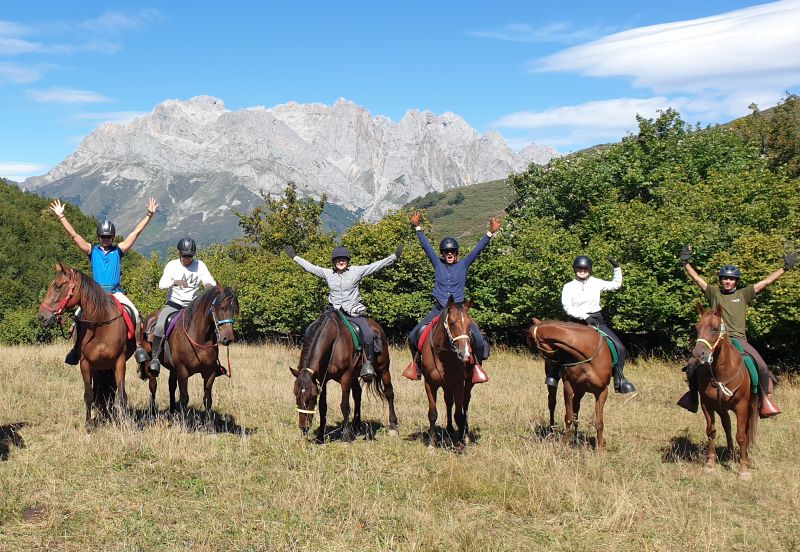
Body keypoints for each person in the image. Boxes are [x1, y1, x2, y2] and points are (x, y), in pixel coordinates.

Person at [678, 245, 795, 416]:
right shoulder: (714, 294)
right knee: (691, 364)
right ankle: (693, 398)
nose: (727, 281)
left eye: (731, 279)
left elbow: (767, 282)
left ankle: (763, 402)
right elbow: (697, 279)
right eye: (724, 278)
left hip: (739, 340)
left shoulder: (744, 294)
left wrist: (784, 268)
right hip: (716, 340)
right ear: (721, 280)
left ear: (736, 281)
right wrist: (685, 263)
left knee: (761, 367)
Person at [49, 197, 158, 365]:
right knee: (77, 318)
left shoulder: (118, 250)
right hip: (96, 295)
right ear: (99, 236)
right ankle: (76, 349)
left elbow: (135, 234)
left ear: (112, 237)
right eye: (103, 236)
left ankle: (137, 347)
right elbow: (74, 236)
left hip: (115, 293)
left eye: (108, 237)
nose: (106, 239)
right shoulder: (92, 250)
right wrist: (61, 216)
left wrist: (149, 216)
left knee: (135, 315)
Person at [403, 210, 500, 383]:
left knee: (478, 339)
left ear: (456, 254)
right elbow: (426, 247)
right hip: (439, 309)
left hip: (459, 310)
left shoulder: (463, 264)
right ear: (442, 254)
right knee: (413, 336)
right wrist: (418, 227)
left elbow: (477, 250)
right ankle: (416, 366)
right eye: (446, 252)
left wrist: (490, 233)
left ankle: (476, 367)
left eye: (452, 252)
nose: (449, 254)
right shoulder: (437, 263)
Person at [284, 243, 402, 381]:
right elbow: (311, 268)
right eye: (338, 259)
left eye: (344, 259)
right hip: (333, 313)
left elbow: (375, 266)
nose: (341, 261)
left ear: (348, 261)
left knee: (368, 334)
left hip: (352, 312)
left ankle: (368, 365)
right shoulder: (328, 273)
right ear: (334, 262)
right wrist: (295, 257)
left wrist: (394, 256)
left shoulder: (356, 271)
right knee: (312, 329)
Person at [559, 255, 637, 394]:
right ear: (574, 269)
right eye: (579, 268)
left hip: (596, 321)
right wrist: (584, 316)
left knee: (620, 348)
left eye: (585, 268)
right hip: (575, 323)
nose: (582, 270)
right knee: (558, 347)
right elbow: (567, 307)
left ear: (589, 269)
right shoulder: (568, 286)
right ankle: (553, 375)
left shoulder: (596, 282)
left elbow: (616, 285)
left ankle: (619, 379)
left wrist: (617, 267)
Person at [149, 237, 217, 377]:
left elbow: (210, 281)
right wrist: (175, 282)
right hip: (174, 304)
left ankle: (214, 362)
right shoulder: (172, 265)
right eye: (185, 255)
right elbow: (162, 284)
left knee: (212, 324)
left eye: (190, 255)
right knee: (160, 324)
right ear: (179, 253)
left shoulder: (200, 265)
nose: (187, 258)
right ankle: (155, 358)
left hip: (193, 307)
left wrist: (208, 286)